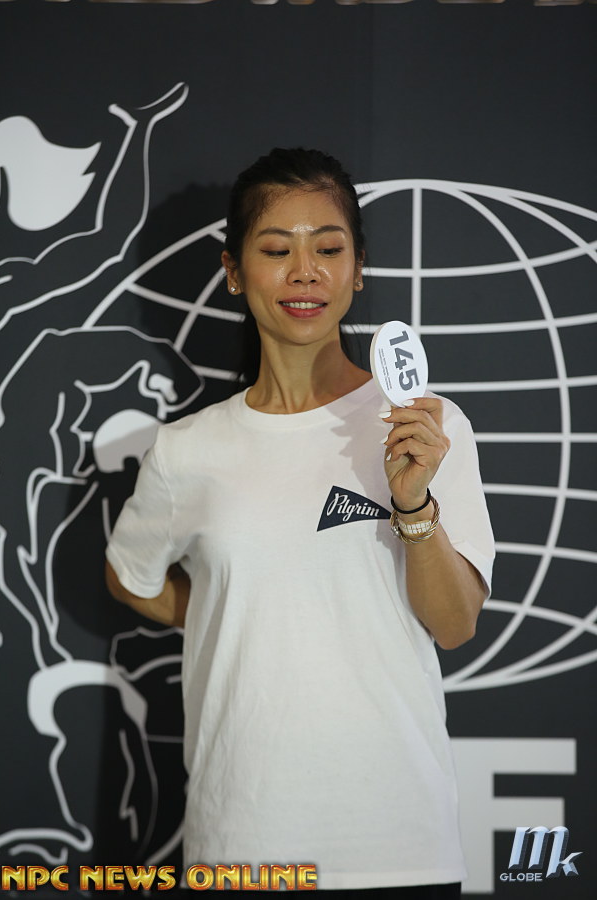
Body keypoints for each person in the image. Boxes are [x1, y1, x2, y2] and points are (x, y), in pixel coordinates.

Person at [105, 148, 494, 897]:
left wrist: (413, 506)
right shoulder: (187, 450)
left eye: (329, 249)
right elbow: (130, 578)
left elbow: (454, 625)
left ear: (358, 268)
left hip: (399, 845)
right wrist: (234, 613)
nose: (305, 273)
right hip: (243, 844)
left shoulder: (425, 426)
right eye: (277, 250)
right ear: (233, 270)